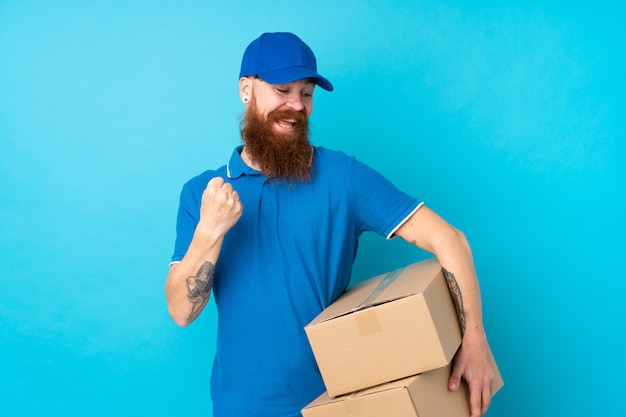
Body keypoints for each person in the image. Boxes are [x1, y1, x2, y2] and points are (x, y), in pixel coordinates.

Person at [165, 32, 494, 417]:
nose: (296, 106)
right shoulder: (203, 194)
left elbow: (450, 239)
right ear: (246, 90)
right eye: (282, 89)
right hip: (240, 408)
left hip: (335, 405)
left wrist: (474, 342)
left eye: (306, 93)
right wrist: (210, 230)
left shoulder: (342, 178)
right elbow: (181, 312)